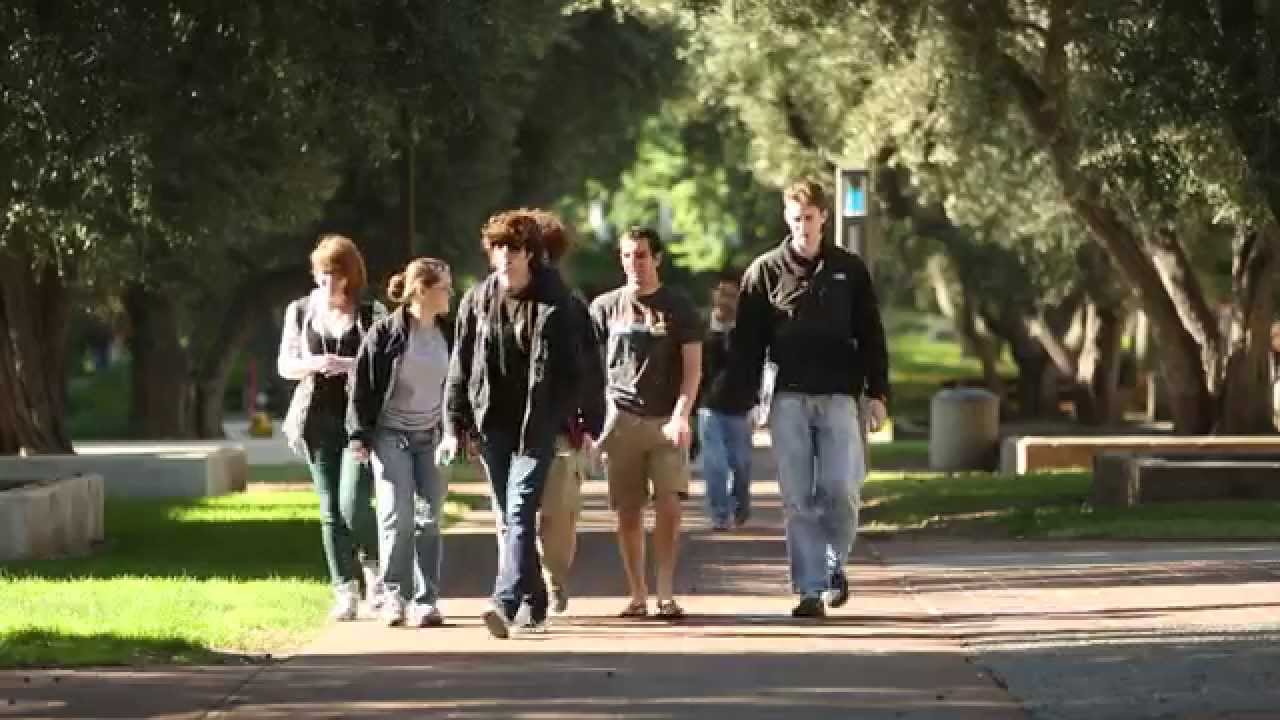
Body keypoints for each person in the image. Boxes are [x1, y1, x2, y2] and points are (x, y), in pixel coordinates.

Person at [728, 179, 890, 618]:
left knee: (841, 488)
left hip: (839, 395)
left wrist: (877, 392)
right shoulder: (764, 272)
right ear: (787, 218)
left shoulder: (849, 270)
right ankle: (810, 588)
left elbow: (871, 334)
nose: (803, 226)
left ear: (824, 218)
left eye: (810, 218)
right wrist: (746, 400)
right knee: (797, 498)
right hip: (788, 398)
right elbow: (747, 344)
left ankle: (835, 565)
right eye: (796, 218)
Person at [440, 210, 581, 638]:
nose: (505, 256)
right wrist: (455, 423)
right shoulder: (476, 300)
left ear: (530, 254)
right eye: (498, 248)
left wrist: (574, 421)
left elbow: (575, 369)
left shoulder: (556, 302)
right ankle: (534, 604)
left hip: (536, 426)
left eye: (514, 249)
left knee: (519, 511)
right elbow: (461, 364)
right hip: (493, 423)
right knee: (509, 516)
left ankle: (503, 602)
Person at [589, 226, 703, 620]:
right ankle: (637, 592)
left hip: (665, 421)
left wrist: (682, 415)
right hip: (620, 421)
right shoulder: (604, 307)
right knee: (627, 510)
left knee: (669, 503)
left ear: (657, 258)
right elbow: (590, 368)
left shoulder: (678, 306)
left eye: (640, 255)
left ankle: (665, 590)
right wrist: (593, 422)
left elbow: (693, 369)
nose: (633, 263)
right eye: (626, 256)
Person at [278, 234, 383, 621]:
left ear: (351, 275)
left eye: (336, 274)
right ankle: (344, 589)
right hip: (316, 415)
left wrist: (350, 365)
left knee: (353, 502)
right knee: (329, 508)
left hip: (359, 419)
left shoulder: (371, 312)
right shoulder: (300, 311)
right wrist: (314, 364)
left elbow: (386, 363)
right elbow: (285, 364)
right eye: (323, 274)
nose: (329, 282)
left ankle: (375, 571)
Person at [347, 257, 454, 628]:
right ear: (421, 291)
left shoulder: (451, 332)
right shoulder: (386, 333)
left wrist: (461, 430)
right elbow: (362, 385)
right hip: (391, 434)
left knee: (429, 519)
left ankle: (425, 601)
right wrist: (359, 435)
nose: (450, 294)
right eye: (444, 287)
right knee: (397, 515)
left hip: (432, 436)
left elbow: (462, 385)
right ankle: (394, 595)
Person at [530, 211, 606, 615]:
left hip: (561, 427)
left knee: (558, 516)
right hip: (512, 428)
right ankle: (520, 588)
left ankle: (554, 576)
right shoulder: (493, 300)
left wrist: (591, 422)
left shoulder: (571, 306)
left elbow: (590, 369)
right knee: (516, 517)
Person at [698, 269, 756, 531]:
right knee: (716, 464)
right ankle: (720, 514)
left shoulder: (747, 331)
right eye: (722, 293)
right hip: (710, 408)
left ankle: (740, 505)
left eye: (732, 295)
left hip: (740, 408)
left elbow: (754, 365)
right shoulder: (703, 329)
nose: (726, 300)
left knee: (741, 465)